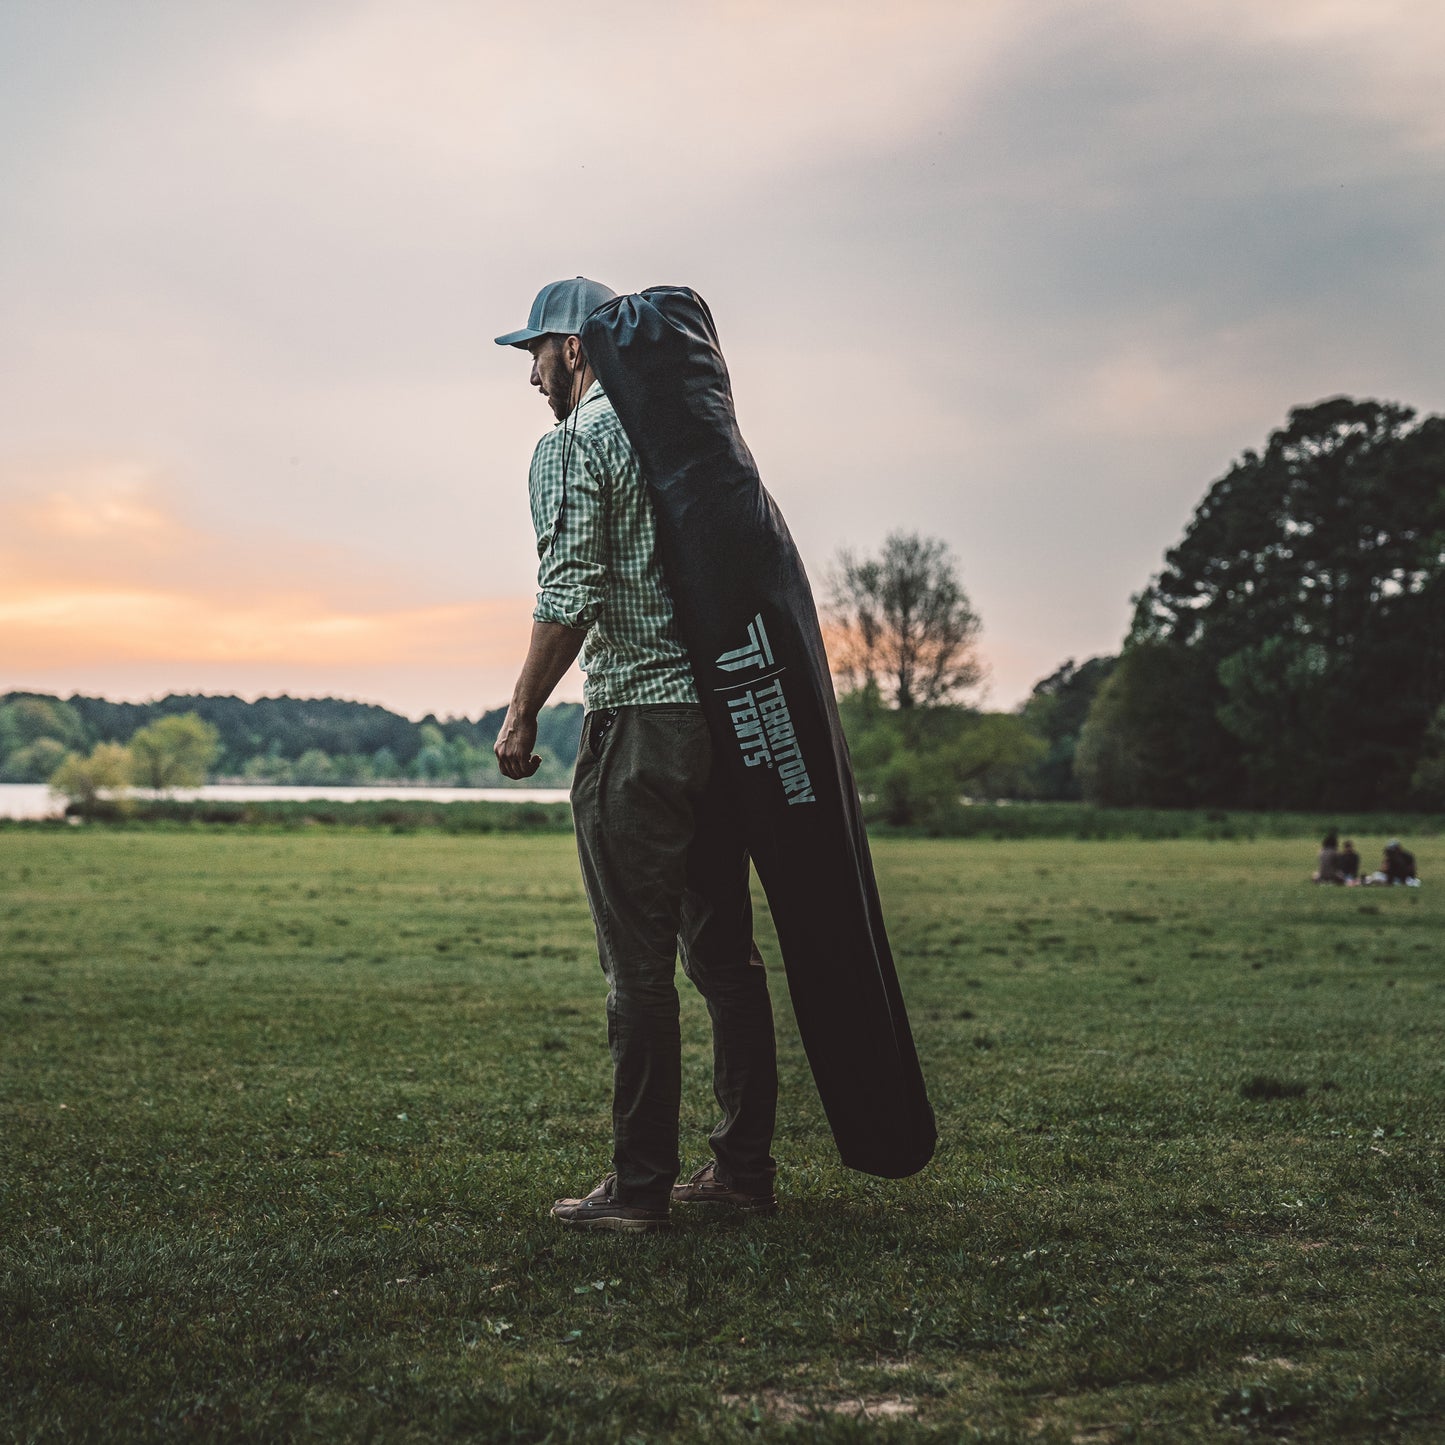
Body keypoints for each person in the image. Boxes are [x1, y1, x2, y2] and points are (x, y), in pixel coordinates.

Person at [492, 278, 779, 1232]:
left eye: (536, 352)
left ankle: (639, 1187)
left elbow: (568, 587)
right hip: (718, 723)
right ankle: (740, 1170)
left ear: (576, 350)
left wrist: (521, 710)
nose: (529, 376)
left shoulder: (573, 445)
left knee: (637, 967)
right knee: (726, 961)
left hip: (638, 724)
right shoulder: (681, 439)